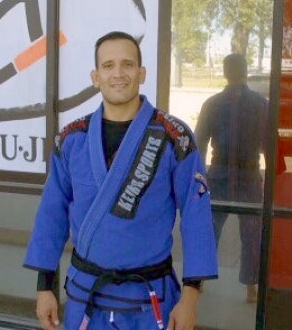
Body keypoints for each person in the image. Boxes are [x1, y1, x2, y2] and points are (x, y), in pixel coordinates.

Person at [23, 31, 218, 330]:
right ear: (95, 76)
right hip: (85, 295)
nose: (118, 74)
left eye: (127, 65)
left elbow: (196, 217)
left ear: (141, 73)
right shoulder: (72, 138)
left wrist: (190, 297)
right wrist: (44, 287)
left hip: (150, 297)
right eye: (108, 66)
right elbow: (52, 214)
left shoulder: (172, 137)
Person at [194, 53, 273, 303]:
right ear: (246, 72)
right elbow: (269, 146)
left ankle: (199, 280)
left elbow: (199, 145)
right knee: (251, 233)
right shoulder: (261, 103)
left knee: (210, 228)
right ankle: (251, 288)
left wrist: (199, 179)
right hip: (249, 173)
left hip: (218, 174)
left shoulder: (212, 103)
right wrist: (270, 179)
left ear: (226, 73)